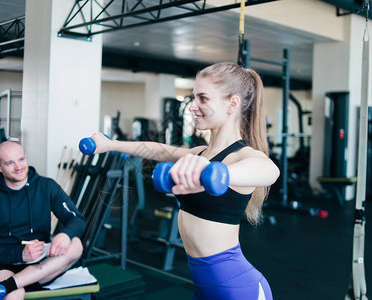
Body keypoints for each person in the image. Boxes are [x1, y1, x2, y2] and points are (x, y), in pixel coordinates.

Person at [90, 62, 280, 300]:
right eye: (193, 98)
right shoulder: (200, 153)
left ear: (232, 104)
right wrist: (111, 144)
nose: (193, 107)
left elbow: (269, 170)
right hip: (203, 286)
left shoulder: (241, 157)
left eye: (202, 99)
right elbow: (159, 151)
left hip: (238, 287)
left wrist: (219, 174)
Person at [0, 141, 86, 300]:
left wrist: (64, 235)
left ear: (26, 158)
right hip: (3, 264)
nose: (18, 167)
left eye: (21, 160)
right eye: (9, 163)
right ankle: (11, 286)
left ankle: (7, 286)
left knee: (76, 245)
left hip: (41, 265)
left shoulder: (47, 186)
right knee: (14, 295)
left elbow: (77, 220)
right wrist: (20, 254)